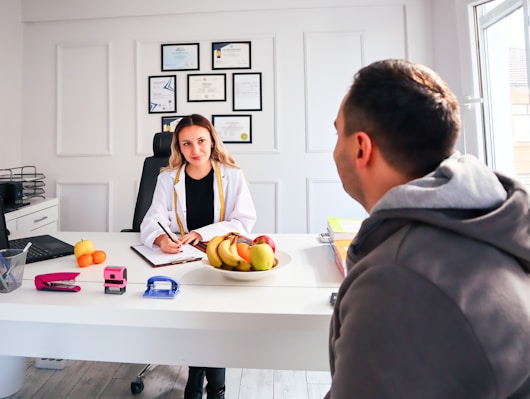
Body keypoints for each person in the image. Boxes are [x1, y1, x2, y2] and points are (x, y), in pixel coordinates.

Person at [326, 59, 530, 398]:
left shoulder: (396, 282)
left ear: (362, 147)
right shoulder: (486, 223)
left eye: (338, 133)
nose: (335, 148)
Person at [140, 113, 257, 399]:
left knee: (215, 323)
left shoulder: (232, 175)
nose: (196, 150)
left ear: (212, 140)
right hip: (181, 261)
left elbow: (243, 221)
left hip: (221, 259)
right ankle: (197, 376)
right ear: (178, 148)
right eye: (187, 144)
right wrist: (160, 239)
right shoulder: (168, 179)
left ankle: (214, 389)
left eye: (201, 141)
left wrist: (201, 233)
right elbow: (151, 220)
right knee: (195, 321)